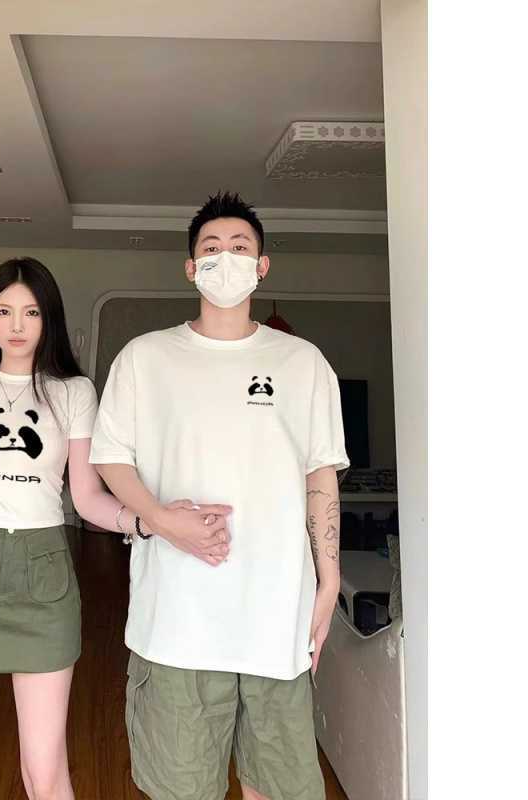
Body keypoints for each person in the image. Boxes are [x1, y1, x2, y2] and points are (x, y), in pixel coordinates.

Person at [0, 257, 228, 800]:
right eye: (4, 311)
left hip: (44, 581)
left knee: (46, 773)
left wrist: (153, 521)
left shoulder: (74, 392)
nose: (16, 325)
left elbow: (87, 497)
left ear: (48, 318)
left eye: (31, 312)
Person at [90, 191, 350, 800]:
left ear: (262, 266)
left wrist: (329, 577)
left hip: (275, 614)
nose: (225, 258)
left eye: (239, 247)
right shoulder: (146, 358)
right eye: (211, 249)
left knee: (279, 787)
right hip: (177, 620)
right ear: (191, 268)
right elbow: (110, 457)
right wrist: (159, 519)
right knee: (181, 789)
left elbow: (320, 475)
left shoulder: (303, 362)